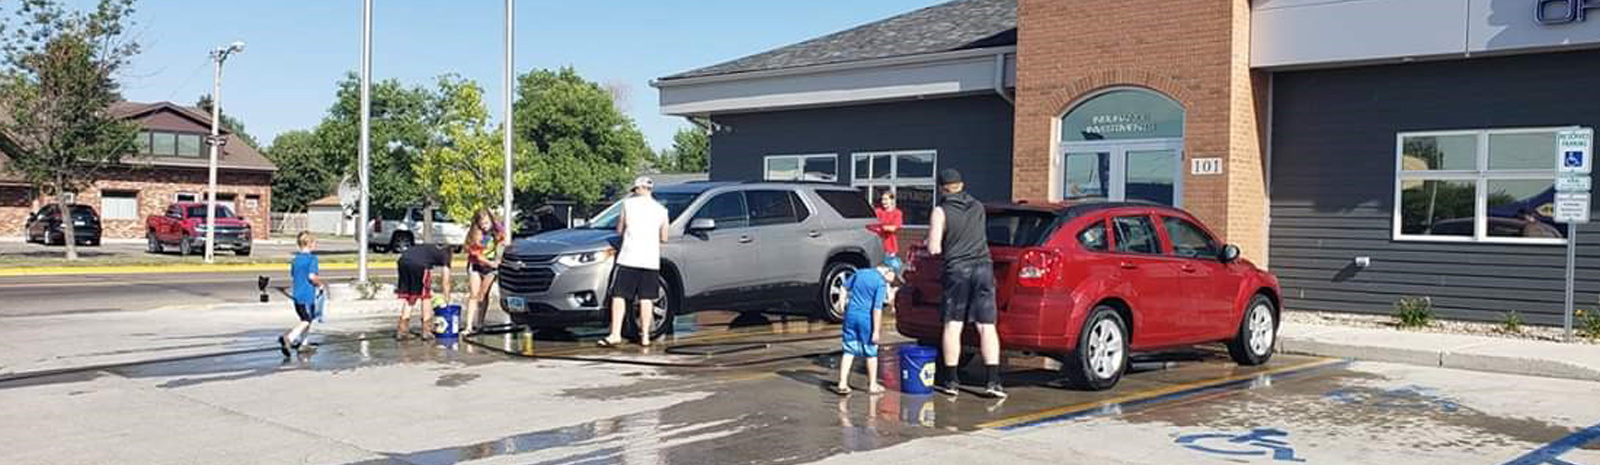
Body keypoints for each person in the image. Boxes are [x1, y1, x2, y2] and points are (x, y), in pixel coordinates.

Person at [927, 168, 1006, 399]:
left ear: (942, 188)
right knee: (986, 326)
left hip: (958, 270)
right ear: (961, 185)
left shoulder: (940, 211)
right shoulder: (978, 206)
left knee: (953, 325)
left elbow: (934, 248)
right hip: (983, 267)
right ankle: (993, 382)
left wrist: (935, 240)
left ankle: (951, 381)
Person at [599, 176, 670, 347]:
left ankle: (615, 333)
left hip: (629, 258)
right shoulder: (661, 210)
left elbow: (619, 229)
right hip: (650, 260)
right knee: (647, 298)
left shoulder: (628, 205)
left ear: (638, 189)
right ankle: (645, 336)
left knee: (619, 295)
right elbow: (665, 237)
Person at [832, 258, 900, 395]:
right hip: (866, 319)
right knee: (871, 352)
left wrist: (841, 303)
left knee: (849, 350)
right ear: (888, 271)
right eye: (894, 277)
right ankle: (872, 385)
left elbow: (844, 287)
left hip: (850, 316)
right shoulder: (880, 283)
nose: (892, 281)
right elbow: (877, 309)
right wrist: (875, 331)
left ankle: (842, 383)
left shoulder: (860, 273)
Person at [279, 231, 324, 357]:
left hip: (297, 294)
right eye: (314, 242)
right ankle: (289, 337)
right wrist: (320, 284)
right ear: (309, 243)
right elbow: (311, 277)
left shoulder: (295, 260)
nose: (316, 245)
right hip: (307, 295)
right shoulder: (312, 259)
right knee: (307, 320)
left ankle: (304, 343)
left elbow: (294, 275)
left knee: (305, 319)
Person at [395, 243, 454, 340]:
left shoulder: (430, 248)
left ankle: (402, 330)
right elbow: (445, 282)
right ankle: (427, 331)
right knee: (425, 296)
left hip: (403, 261)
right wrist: (447, 301)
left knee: (410, 295)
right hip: (420, 265)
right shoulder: (446, 255)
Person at [463, 209, 506, 335]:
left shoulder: (498, 230)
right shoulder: (475, 234)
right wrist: (491, 263)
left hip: (491, 268)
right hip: (477, 265)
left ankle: (480, 323)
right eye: (482, 224)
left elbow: (502, 242)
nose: (484, 226)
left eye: (487, 223)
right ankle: (469, 326)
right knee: (474, 295)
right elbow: (477, 256)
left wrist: (498, 259)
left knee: (483, 295)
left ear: (491, 220)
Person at [868, 191, 903, 257]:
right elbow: (869, 225)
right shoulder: (878, 211)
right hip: (877, 246)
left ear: (892, 200)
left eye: (886, 199)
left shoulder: (897, 213)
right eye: (882, 199)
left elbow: (893, 228)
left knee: (888, 266)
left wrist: (879, 228)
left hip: (890, 247)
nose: (883, 202)